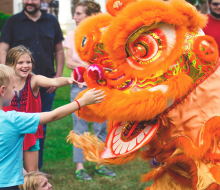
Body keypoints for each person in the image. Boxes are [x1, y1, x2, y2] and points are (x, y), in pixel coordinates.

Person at [0, 64, 105, 189]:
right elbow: (53, 116)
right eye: (13, 88)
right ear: (2, 91)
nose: (15, 91)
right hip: (9, 185)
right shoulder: (13, 120)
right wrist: (82, 101)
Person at [0, 0, 65, 173]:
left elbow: (59, 50)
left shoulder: (51, 20)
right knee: (12, 129)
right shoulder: (13, 21)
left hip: (43, 86)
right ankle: (14, 169)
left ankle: (35, 168)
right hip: (14, 87)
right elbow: (3, 49)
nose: (29, 1)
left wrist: (58, 75)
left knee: (37, 127)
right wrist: (5, 77)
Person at [3, 45, 81, 173]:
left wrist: (68, 80)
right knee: (10, 172)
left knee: (32, 173)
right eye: (20, 62)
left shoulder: (33, 80)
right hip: (9, 133)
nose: (25, 65)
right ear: (10, 64)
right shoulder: (4, 82)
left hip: (29, 132)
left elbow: (53, 82)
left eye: (28, 62)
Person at [64, 0, 116, 181]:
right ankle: (80, 167)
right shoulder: (72, 35)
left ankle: (100, 164)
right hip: (79, 88)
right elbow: (69, 62)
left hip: (101, 88)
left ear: (90, 16)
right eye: (75, 13)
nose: (75, 17)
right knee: (80, 128)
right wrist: (91, 68)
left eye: (79, 14)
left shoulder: (103, 36)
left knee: (102, 127)